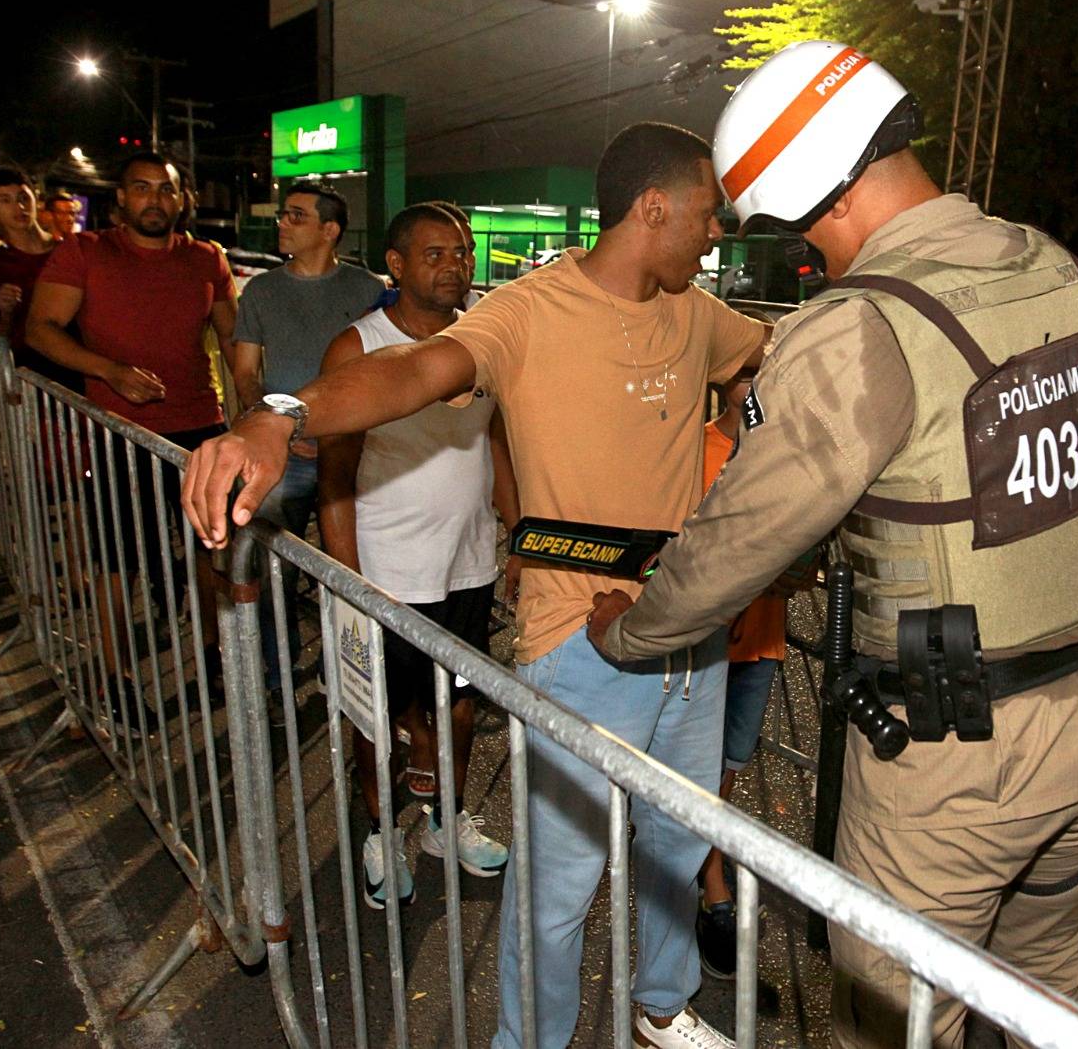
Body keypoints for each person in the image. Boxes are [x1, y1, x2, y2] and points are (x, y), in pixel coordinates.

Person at [584, 42, 1078, 1048]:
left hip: (958, 762)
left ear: (820, 195)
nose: (811, 255)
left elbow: (737, 540)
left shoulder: (863, 325)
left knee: (892, 1027)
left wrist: (631, 633)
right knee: (1047, 1011)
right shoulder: (1062, 270)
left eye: (798, 230)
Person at [180, 121, 769, 1049]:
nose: (716, 232)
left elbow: (764, 356)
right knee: (559, 882)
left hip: (689, 630)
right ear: (653, 207)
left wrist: (751, 458)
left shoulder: (697, 311)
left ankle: (661, 1005)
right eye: (707, 212)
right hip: (581, 642)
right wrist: (279, 414)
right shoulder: (528, 312)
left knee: (673, 843)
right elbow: (409, 372)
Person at [317, 202, 516, 910]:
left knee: (459, 711)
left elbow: (496, 442)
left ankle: (444, 821)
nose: (454, 265)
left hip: (468, 566)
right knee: (377, 720)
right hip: (385, 573)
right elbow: (333, 472)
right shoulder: (357, 346)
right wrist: (349, 580)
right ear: (395, 266)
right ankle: (379, 830)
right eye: (434, 254)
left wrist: (515, 534)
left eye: (461, 252)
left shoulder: (483, 339)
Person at [27, 151, 238, 733]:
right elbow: (39, 328)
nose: (154, 200)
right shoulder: (87, 252)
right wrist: (110, 370)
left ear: (181, 199)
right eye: (141, 189)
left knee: (212, 550)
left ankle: (216, 659)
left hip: (200, 427)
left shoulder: (205, 258)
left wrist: (251, 415)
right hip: (119, 433)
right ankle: (116, 678)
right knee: (115, 562)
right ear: (120, 199)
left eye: (165, 190)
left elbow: (234, 339)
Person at [691, 314, 813, 982]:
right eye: (744, 368)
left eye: (765, 368)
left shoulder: (787, 454)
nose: (755, 381)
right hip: (703, 648)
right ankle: (713, 891)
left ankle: (701, 862)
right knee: (701, 775)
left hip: (760, 643)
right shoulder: (693, 447)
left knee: (725, 772)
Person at [231, 181, 383, 713]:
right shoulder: (261, 292)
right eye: (283, 215)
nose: (283, 224)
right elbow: (245, 373)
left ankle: (345, 671)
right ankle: (277, 675)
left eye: (295, 216)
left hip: (356, 456)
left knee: (356, 567)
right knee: (274, 568)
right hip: (286, 458)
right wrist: (278, 427)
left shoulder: (368, 290)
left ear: (329, 230)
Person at [0, 167, 75, 388]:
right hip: (27, 378)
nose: (18, 207)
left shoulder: (69, 251)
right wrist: (5, 312)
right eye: (5, 200)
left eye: (22, 198)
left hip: (76, 371)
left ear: (35, 200)